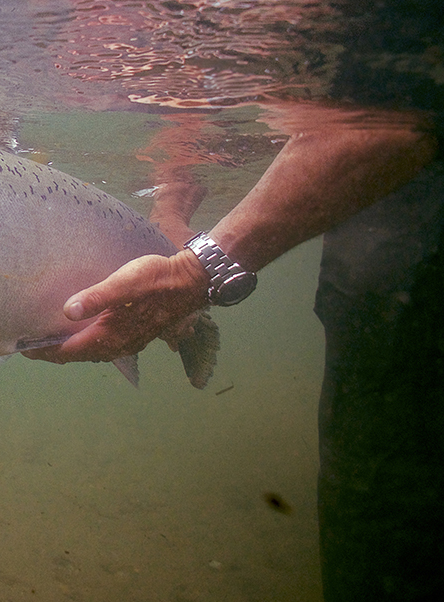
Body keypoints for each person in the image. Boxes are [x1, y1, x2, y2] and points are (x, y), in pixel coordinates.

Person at [23, 103, 442, 600]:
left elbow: (395, 115)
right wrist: (171, 219)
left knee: (394, 511)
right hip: (383, 263)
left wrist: (194, 273)